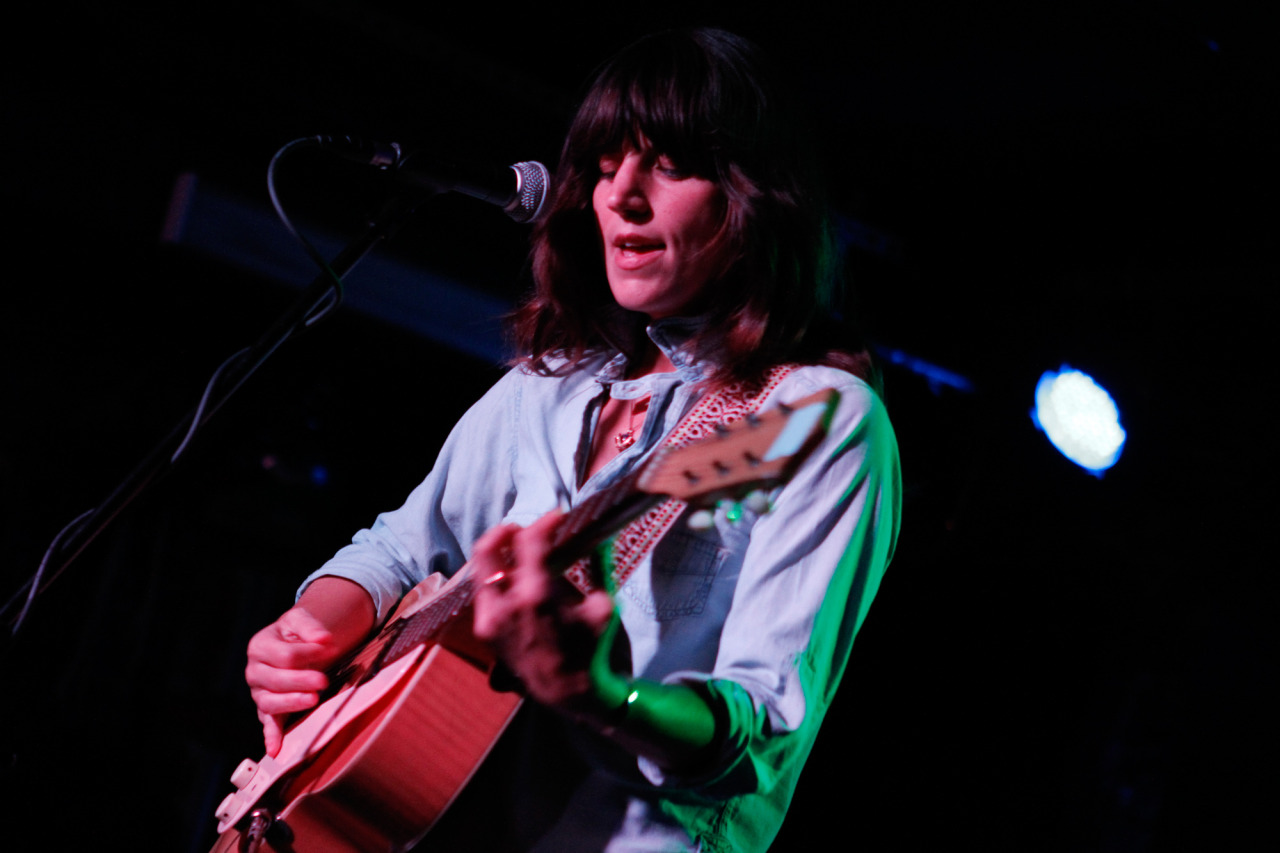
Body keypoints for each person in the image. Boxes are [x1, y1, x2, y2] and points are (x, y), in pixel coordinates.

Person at [243, 27, 900, 853]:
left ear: (753, 196)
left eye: (668, 163)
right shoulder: (550, 383)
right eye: (603, 163)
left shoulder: (814, 417)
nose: (621, 194)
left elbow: (762, 729)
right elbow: (404, 547)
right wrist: (308, 631)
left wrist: (602, 694)